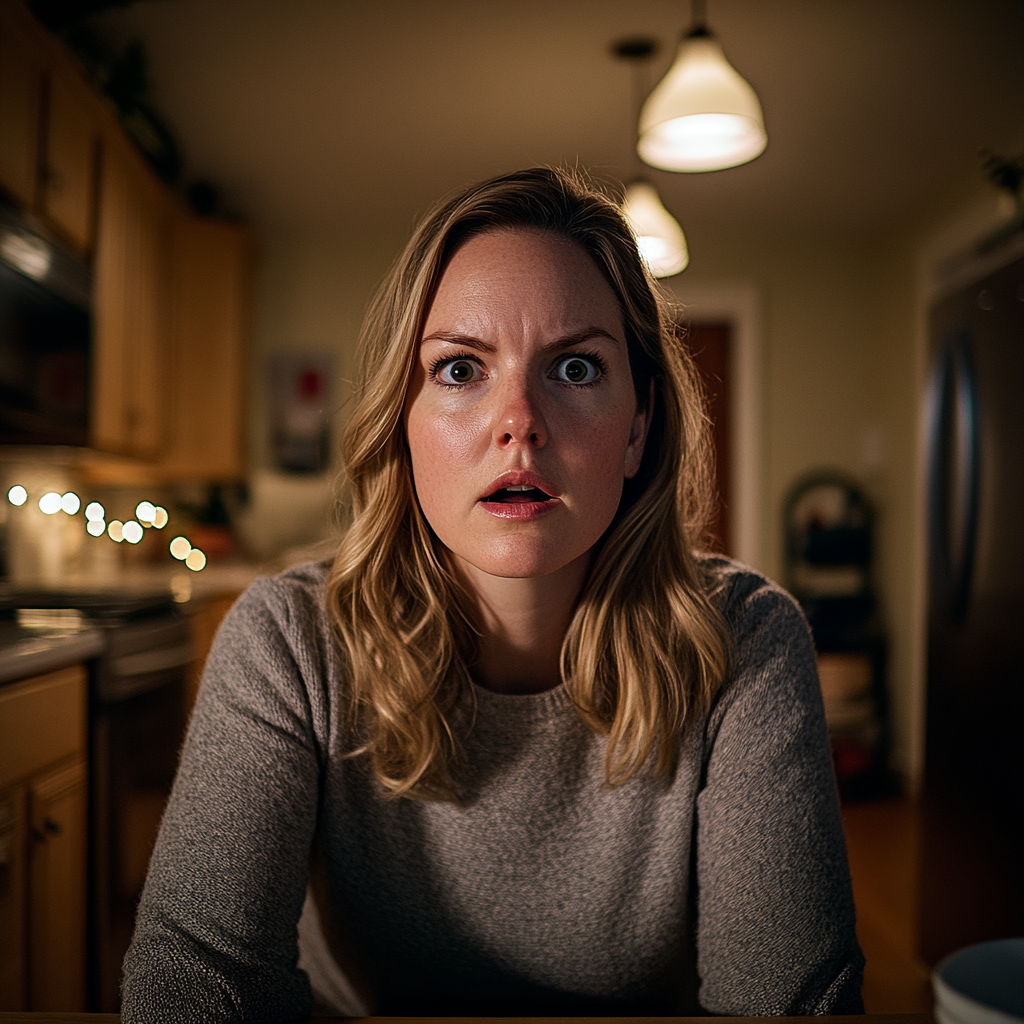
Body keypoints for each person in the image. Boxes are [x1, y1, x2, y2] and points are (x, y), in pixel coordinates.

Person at [122, 167, 864, 1022]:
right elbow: (192, 995)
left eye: (577, 366)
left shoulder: (745, 641)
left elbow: (791, 1007)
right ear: (402, 418)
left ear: (638, 428)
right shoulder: (289, 640)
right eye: (461, 369)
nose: (519, 420)